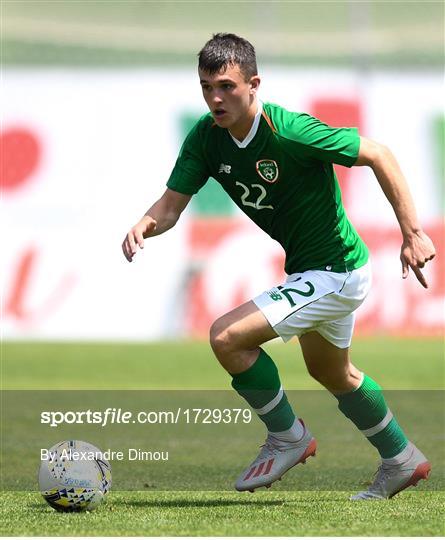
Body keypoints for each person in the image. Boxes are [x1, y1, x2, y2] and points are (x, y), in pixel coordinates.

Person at [122, 33, 436, 499]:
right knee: (334, 373)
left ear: (253, 84)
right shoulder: (207, 139)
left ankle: (288, 438)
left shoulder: (289, 132)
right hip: (315, 271)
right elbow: (170, 207)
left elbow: (378, 154)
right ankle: (400, 458)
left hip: (337, 270)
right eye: (206, 86)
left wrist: (412, 232)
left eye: (226, 86)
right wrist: (145, 224)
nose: (215, 97)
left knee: (226, 337)